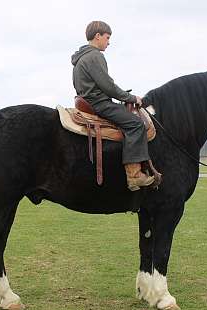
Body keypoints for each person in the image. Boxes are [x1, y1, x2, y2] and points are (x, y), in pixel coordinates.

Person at [71, 20, 154, 191]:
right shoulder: (95, 56)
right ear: (98, 36)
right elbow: (108, 86)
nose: (109, 42)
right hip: (99, 104)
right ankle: (134, 176)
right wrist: (130, 97)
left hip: (88, 101)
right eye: (107, 38)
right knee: (135, 123)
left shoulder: (80, 58)